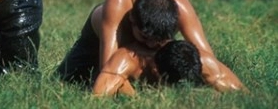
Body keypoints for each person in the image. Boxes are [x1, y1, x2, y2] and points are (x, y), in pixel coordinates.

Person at [56, 0, 245, 93]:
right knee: (66, 81)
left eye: (159, 41)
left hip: (133, 56)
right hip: (95, 45)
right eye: (146, 38)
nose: (152, 46)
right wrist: (138, 101)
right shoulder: (119, 4)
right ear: (132, 22)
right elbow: (109, 67)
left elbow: (204, 58)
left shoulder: (180, 7)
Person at [93, 40, 246, 97]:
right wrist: (136, 100)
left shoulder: (201, 61)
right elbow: (98, 96)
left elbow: (242, 94)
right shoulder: (127, 59)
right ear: (155, 69)